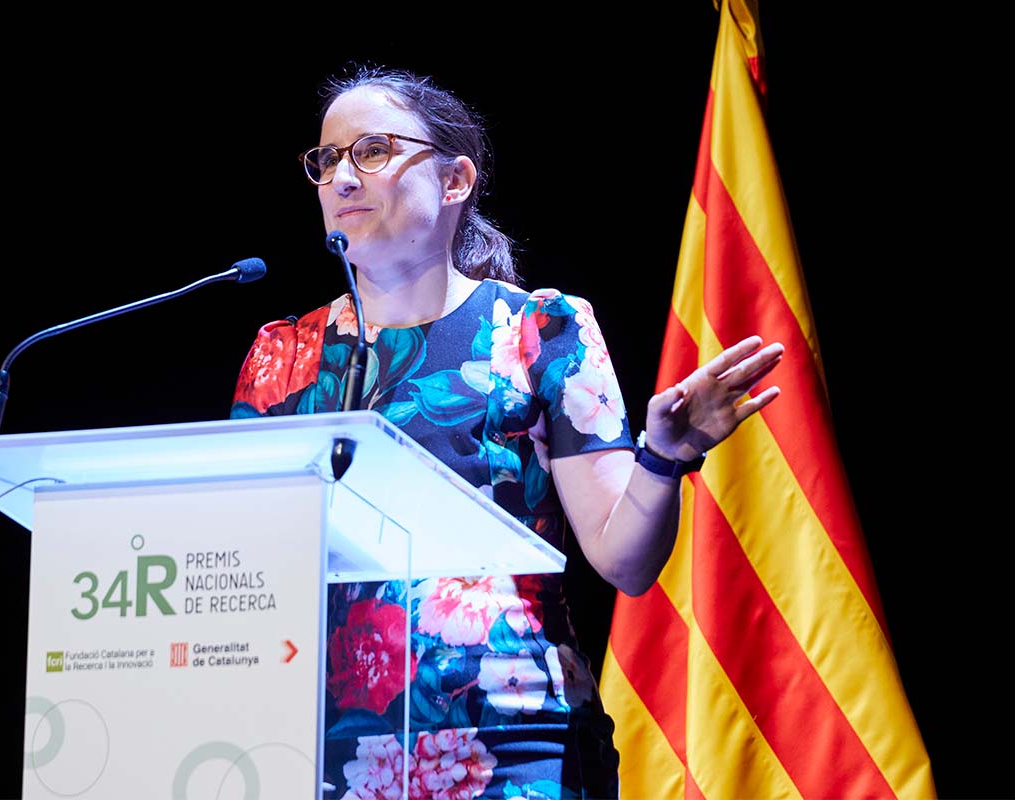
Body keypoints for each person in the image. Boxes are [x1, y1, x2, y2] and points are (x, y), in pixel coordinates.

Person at [231, 67, 783, 800]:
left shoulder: (539, 330)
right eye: (327, 159)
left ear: (455, 179)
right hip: (315, 747)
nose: (341, 177)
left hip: (512, 743)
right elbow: (243, 566)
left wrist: (665, 456)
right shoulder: (282, 356)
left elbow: (625, 562)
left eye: (371, 150)